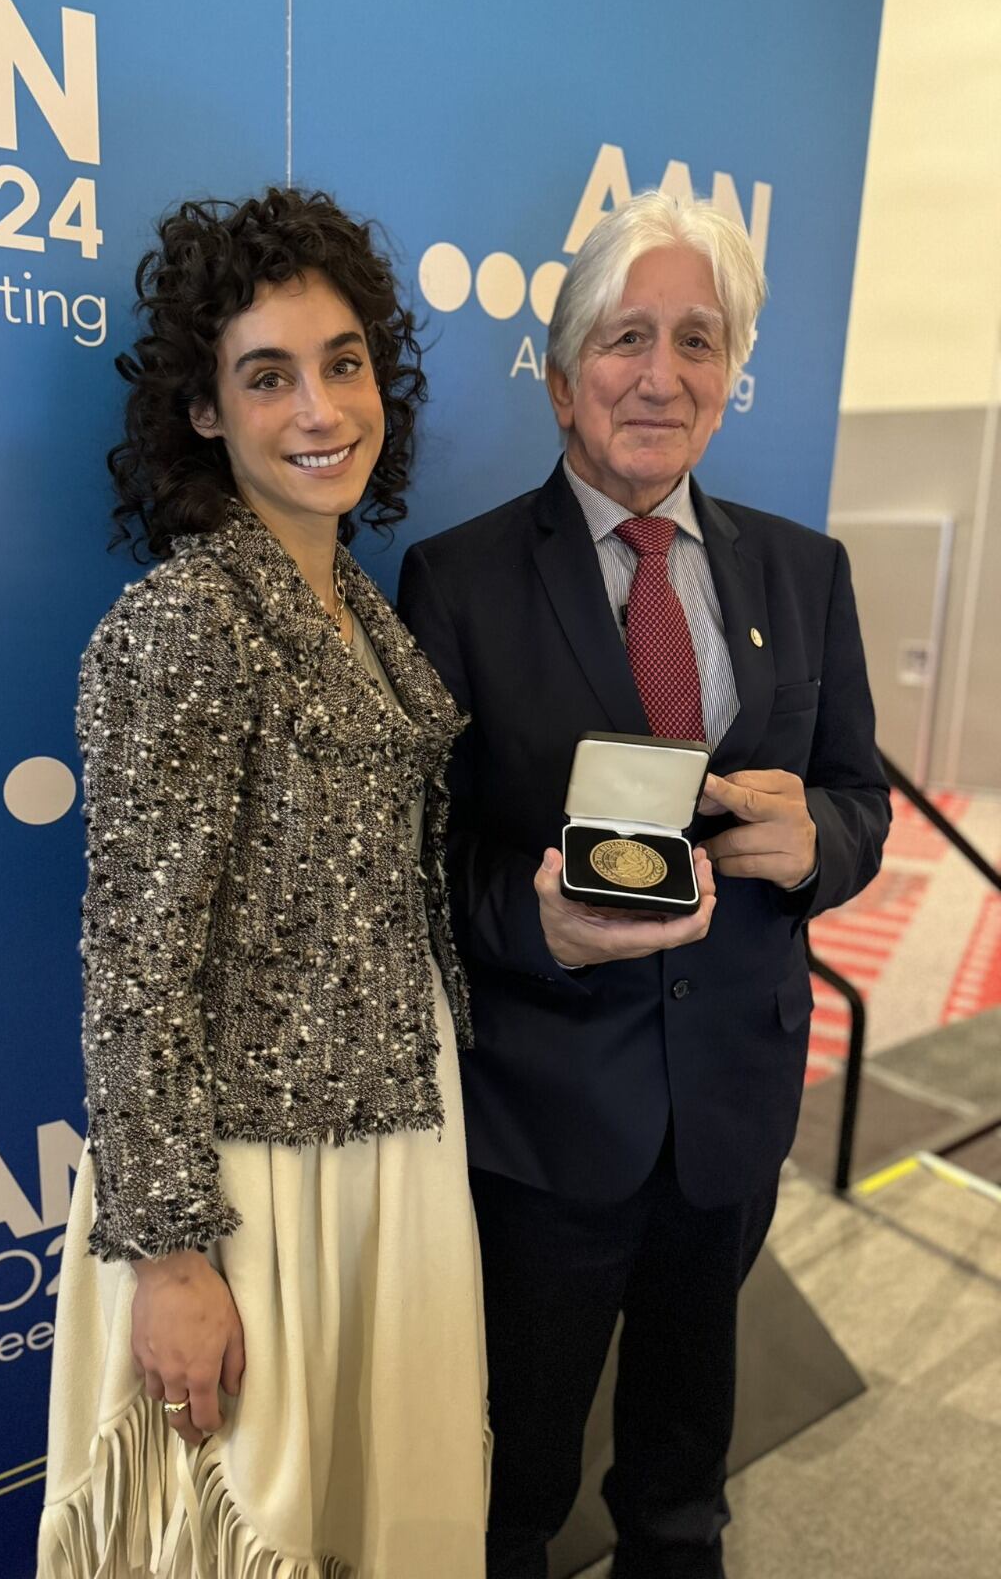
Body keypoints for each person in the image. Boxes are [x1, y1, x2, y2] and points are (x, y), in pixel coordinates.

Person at [398, 190, 890, 1579]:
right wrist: (539, 925)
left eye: (697, 340)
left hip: (730, 1116)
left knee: (684, 1486)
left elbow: (858, 798)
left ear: (731, 379)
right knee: (513, 1492)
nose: (660, 374)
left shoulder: (805, 572)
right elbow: (421, 866)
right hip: (547, 1130)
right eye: (625, 338)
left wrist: (823, 850)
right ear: (559, 378)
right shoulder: (459, 579)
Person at [38, 188, 489, 1579]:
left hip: (389, 1138)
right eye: (268, 375)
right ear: (205, 413)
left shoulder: (361, 610)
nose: (319, 408)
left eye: (343, 363)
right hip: (252, 1177)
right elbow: (138, 962)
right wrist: (170, 1259)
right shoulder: (184, 621)